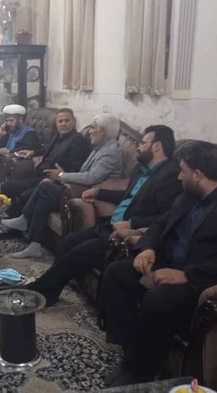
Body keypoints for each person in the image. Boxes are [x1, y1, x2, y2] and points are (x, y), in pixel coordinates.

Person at [101, 141, 217, 387]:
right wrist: (147, 247)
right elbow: (161, 223)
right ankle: (130, 348)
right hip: (169, 264)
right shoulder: (188, 196)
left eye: (182, 171)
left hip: (205, 278)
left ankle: (141, 370)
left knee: (159, 299)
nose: (179, 176)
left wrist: (188, 274)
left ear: (198, 174)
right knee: (117, 273)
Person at [25, 125, 182, 305]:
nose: (138, 147)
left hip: (126, 234)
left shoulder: (170, 176)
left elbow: (166, 217)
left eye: (142, 143)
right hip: (112, 224)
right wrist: (99, 193)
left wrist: (132, 223)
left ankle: (39, 291)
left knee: (80, 252)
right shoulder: (141, 168)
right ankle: (51, 290)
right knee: (69, 241)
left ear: (157, 146)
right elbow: (128, 195)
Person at [1, 114, 124, 259]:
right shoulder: (100, 147)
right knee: (43, 199)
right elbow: (83, 172)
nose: (90, 131)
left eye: (94, 128)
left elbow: (91, 177)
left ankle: (24, 218)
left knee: (44, 187)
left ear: (103, 131)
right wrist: (62, 176)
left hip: (88, 194)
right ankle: (35, 246)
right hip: (77, 187)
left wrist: (61, 176)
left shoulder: (110, 152)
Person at [1, 107, 92, 217]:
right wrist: (33, 152)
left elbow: (76, 168)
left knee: (24, 195)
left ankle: (17, 222)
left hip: (52, 181)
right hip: (39, 176)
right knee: (7, 187)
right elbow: (46, 149)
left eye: (67, 121)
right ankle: (10, 219)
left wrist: (60, 176)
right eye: (60, 121)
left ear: (74, 122)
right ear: (56, 123)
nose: (63, 124)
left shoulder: (76, 140)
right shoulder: (58, 136)